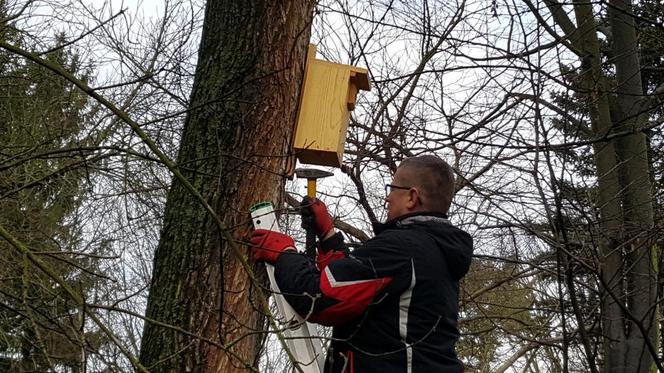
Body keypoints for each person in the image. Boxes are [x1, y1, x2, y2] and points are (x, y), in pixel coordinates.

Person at [249, 155, 473, 373]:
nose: (388, 198)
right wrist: (328, 236)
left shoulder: (403, 248)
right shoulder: (434, 249)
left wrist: (284, 253)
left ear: (411, 197)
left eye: (393, 189)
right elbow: (355, 290)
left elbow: (319, 298)